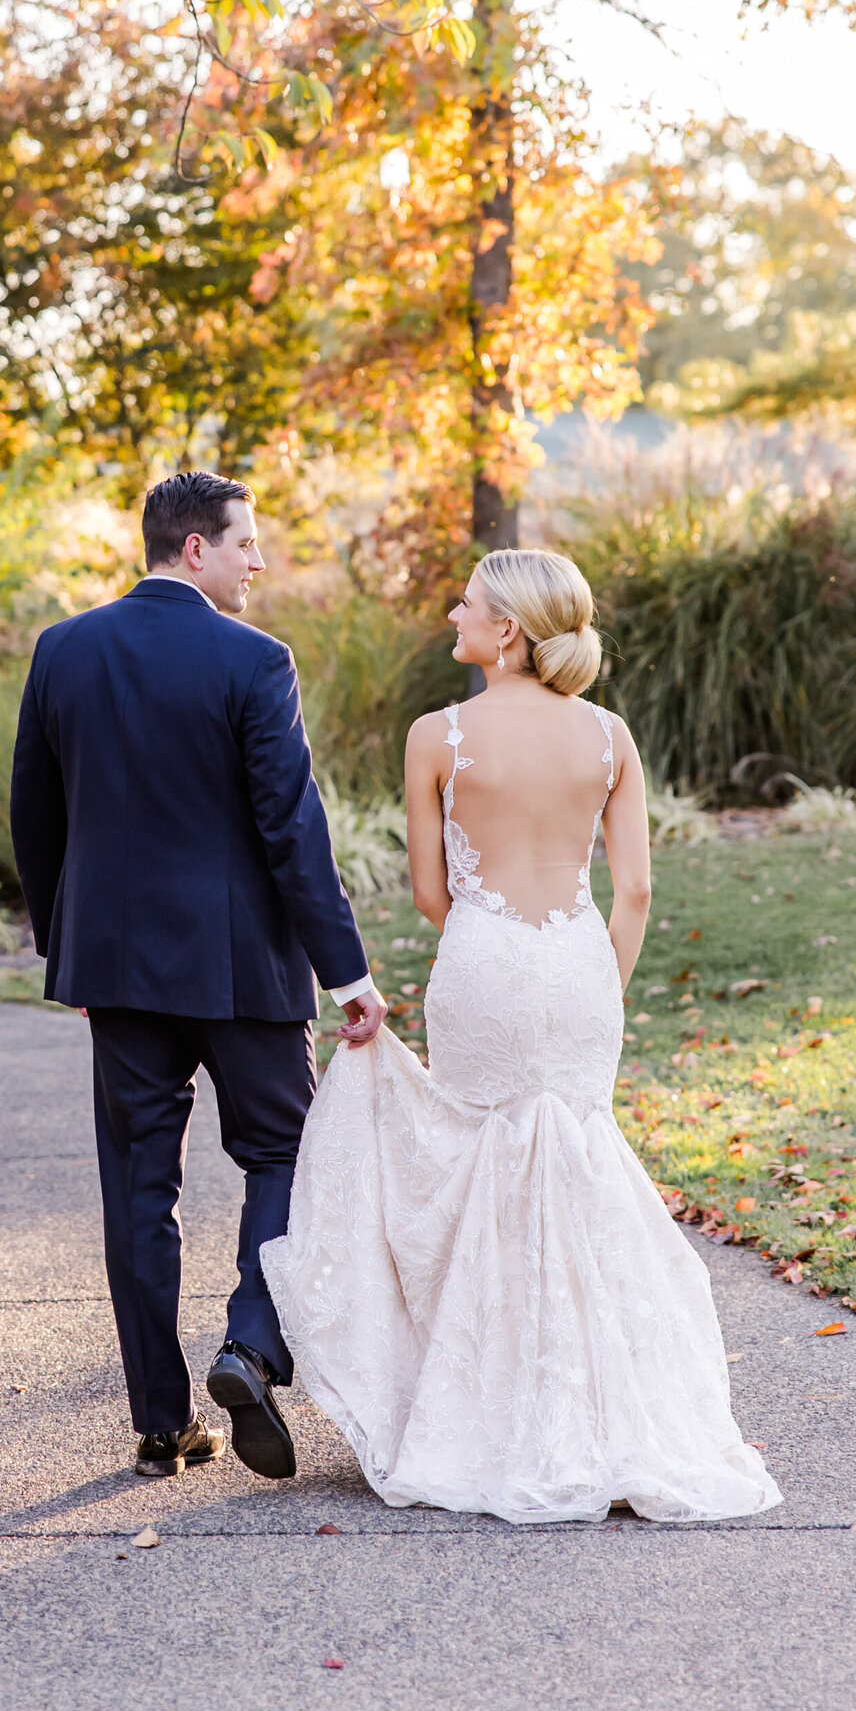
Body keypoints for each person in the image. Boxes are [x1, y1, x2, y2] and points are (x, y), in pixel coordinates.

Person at [262, 547, 782, 1526]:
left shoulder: (438, 736)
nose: (451, 616)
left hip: (486, 962)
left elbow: (430, 893)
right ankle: (618, 1413)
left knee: (484, 1166)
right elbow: (632, 889)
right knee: (578, 1162)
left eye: (465, 604)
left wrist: (491, 941)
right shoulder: (607, 735)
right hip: (578, 965)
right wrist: (599, 983)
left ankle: (488, 1411)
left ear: (507, 630)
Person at [9, 470, 387, 1482]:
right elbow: (291, 832)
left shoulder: (63, 652)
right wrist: (344, 971)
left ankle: (159, 1423)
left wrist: (67, 949)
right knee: (285, 1155)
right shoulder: (255, 661)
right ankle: (251, 1345)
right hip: (240, 970)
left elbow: (34, 821)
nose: (257, 561)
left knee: (138, 1186)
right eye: (245, 544)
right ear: (193, 549)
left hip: (117, 969)